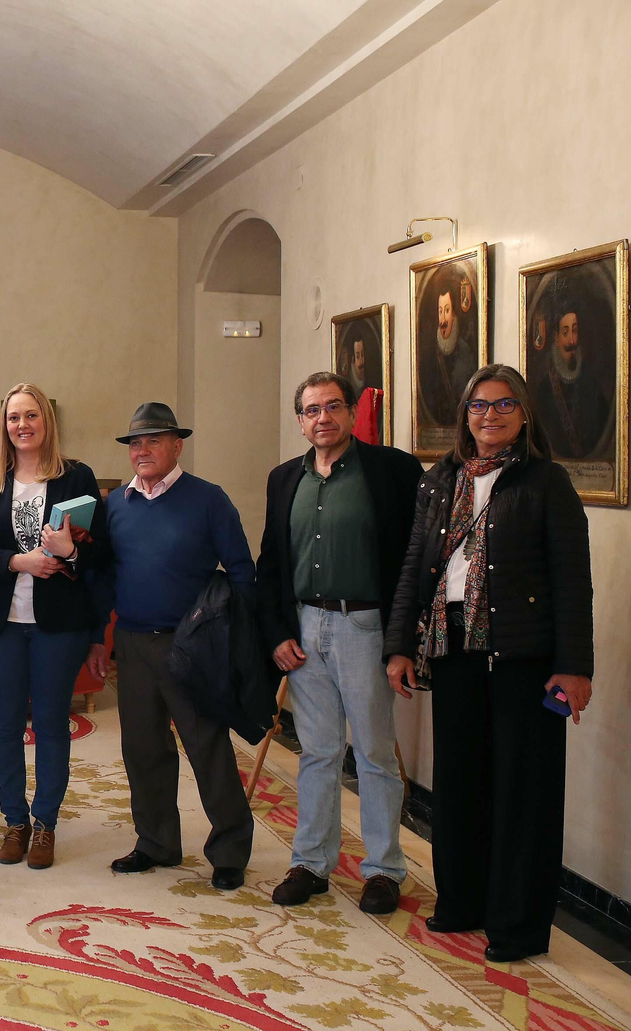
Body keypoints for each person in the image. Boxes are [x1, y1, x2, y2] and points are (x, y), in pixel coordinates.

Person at [385, 364, 593, 963]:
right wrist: (400, 645)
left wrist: (574, 666)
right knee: (459, 785)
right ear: (464, 415)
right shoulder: (438, 481)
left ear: (524, 414)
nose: (490, 416)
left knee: (522, 793)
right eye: (479, 406)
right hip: (453, 653)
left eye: (504, 406)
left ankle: (518, 925)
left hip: (526, 661)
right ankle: (463, 902)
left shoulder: (545, 483)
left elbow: (572, 584)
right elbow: (413, 570)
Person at [255, 373, 423, 913]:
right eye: (310, 410)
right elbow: (272, 565)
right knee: (318, 751)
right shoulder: (285, 479)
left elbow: (411, 562)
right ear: (299, 420)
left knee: (373, 752)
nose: (322, 418)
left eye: (332, 407)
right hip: (304, 628)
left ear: (351, 413)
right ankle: (310, 862)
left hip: (364, 626)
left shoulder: (391, 471)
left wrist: (401, 640)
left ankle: (382, 870)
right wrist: (278, 632)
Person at [104, 402, 256, 890]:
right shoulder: (114, 505)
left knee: (207, 747)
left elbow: (242, 573)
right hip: (132, 642)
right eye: (135, 443)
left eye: (153, 441)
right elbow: (103, 575)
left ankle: (230, 849)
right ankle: (156, 843)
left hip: (191, 646)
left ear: (176, 445)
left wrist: (239, 641)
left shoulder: (208, 500)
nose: (142, 450)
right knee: (143, 749)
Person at [0, 383, 108, 870]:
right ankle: (14, 821)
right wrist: (19, 562)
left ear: (47, 421)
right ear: (4, 425)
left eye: (31, 416)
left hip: (58, 625)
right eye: (13, 418)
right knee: (3, 726)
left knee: (50, 725)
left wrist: (71, 552)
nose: (22, 425)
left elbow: (100, 554)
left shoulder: (77, 476)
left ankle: (45, 823)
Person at [535, 309, 612, 459]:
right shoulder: (545, 389)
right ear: (556, 339)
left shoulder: (591, 381)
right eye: (565, 333)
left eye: (575, 331)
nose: (572, 340)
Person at [421, 280, 477, 428]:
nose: (443, 319)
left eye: (447, 311)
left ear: (454, 313)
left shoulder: (464, 350)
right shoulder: (429, 353)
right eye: (440, 311)